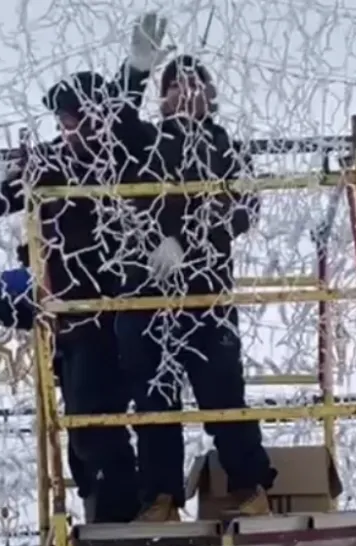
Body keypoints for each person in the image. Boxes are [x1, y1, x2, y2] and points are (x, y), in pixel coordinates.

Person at [0, 14, 171, 523]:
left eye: (80, 118)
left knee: (104, 417)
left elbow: (124, 110)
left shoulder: (122, 156)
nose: (73, 129)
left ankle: (127, 504)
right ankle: (108, 498)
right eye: (66, 120)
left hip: (114, 312)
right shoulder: (50, 164)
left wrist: (137, 69)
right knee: (85, 421)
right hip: (68, 316)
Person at [116, 55, 276, 522]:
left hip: (206, 294)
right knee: (153, 401)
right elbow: (115, 120)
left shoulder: (230, 149)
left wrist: (186, 240)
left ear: (211, 93)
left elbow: (243, 211)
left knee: (224, 395)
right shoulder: (144, 141)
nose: (184, 92)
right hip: (146, 292)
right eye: (173, 85)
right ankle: (161, 498)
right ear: (161, 97)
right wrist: (135, 68)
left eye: (194, 83)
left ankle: (251, 487)